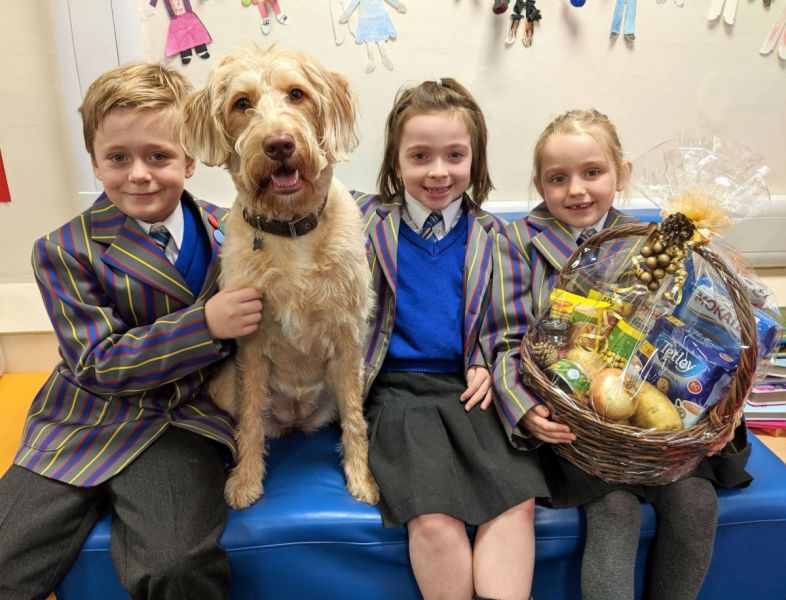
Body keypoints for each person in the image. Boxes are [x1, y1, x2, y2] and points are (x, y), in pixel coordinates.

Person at [0, 62, 263, 600]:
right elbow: (96, 362)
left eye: (159, 156)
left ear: (190, 158)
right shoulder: (63, 249)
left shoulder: (234, 228)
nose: (139, 174)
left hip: (184, 422)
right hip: (80, 423)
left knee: (178, 565)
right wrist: (204, 326)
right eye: (118, 158)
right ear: (95, 162)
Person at [488, 108, 752, 600]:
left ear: (622, 174)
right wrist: (525, 412)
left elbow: (700, 339)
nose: (577, 190)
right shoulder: (516, 241)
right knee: (615, 510)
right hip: (575, 428)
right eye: (558, 178)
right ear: (539, 184)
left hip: (656, 419)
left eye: (593, 173)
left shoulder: (655, 243)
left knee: (697, 503)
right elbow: (503, 338)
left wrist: (724, 416)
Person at [353, 78, 547, 600]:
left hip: (470, 390)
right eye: (420, 156)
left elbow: (511, 331)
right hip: (397, 395)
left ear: (474, 159)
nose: (438, 172)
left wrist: (488, 362)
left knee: (515, 502)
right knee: (433, 516)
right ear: (396, 164)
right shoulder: (364, 223)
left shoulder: (499, 238)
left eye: (454, 155)